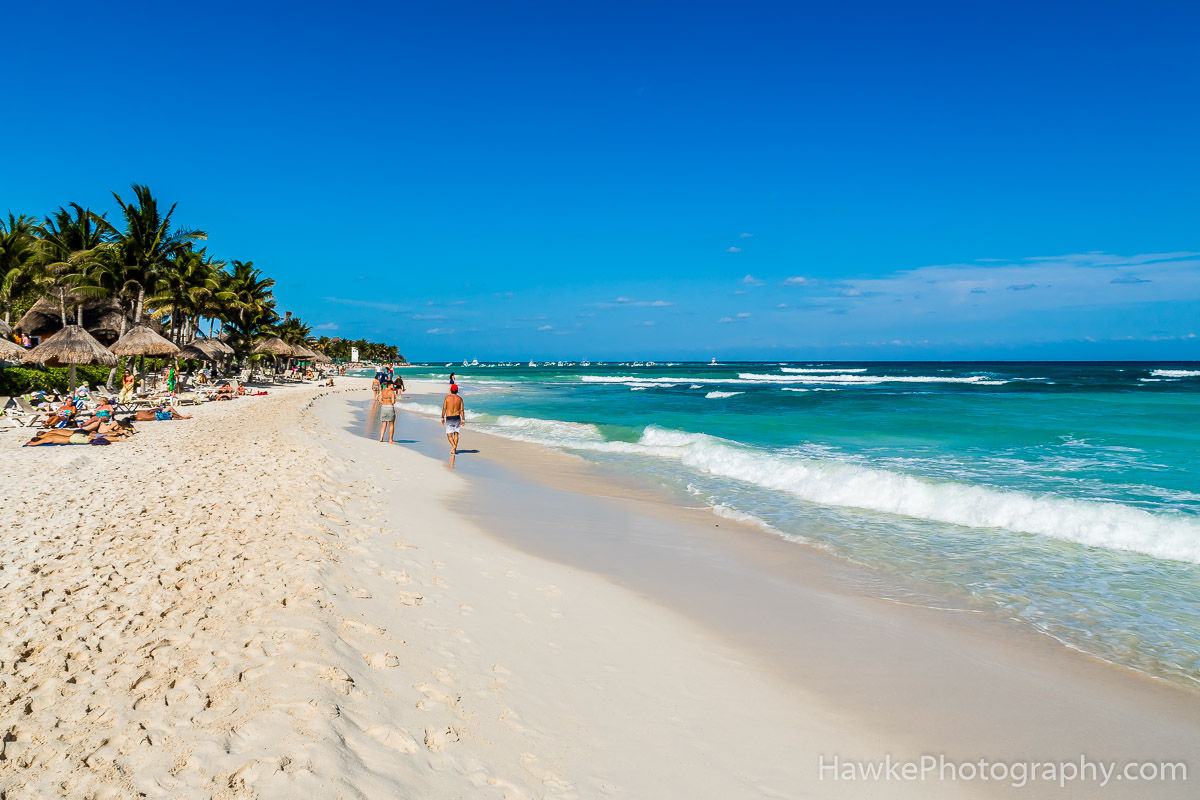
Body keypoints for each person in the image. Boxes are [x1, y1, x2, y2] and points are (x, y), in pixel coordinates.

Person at [441, 384, 465, 455]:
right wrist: (463, 419)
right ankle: (454, 450)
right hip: (457, 417)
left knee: (449, 435)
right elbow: (461, 410)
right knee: (456, 433)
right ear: (457, 390)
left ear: (450, 390)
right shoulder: (460, 399)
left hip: (449, 417)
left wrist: (442, 417)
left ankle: (453, 446)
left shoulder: (447, 398)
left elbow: (444, 408)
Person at [378, 379, 397, 443]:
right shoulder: (391, 392)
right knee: (391, 424)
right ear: (390, 385)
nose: (393, 385)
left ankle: (381, 438)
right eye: (392, 384)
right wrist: (394, 399)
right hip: (389, 407)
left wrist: (384, 402)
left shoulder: (383, 391)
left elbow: (380, 400)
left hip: (383, 407)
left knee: (383, 424)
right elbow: (393, 402)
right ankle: (390, 440)